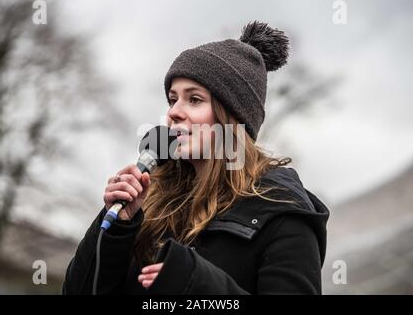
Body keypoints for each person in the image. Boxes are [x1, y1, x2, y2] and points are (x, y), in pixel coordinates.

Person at [63, 21, 330, 295]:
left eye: (194, 100)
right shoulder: (150, 199)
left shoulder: (283, 214)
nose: (174, 112)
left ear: (231, 118)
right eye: (172, 99)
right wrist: (117, 228)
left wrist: (195, 283)